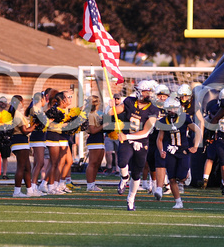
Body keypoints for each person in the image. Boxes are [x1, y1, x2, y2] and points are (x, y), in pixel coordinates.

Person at [110, 80, 159, 211]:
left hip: (141, 142)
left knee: (137, 174)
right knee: (122, 161)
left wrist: (128, 136)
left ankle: (131, 199)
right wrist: (110, 108)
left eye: (150, 91)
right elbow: (115, 111)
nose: (149, 94)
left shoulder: (153, 110)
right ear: (139, 92)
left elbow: (145, 132)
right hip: (126, 139)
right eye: (146, 91)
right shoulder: (129, 101)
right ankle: (124, 177)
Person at [155, 97, 202, 208]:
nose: (172, 111)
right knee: (171, 178)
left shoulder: (184, 118)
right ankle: (178, 202)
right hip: (170, 151)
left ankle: (186, 174)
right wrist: (161, 150)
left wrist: (195, 146)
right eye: (170, 109)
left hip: (183, 150)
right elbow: (159, 139)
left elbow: (198, 131)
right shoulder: (162, 122)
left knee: (181, 177)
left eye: (174, 108)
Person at [8, 95, 41, 197]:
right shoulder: (17, 114)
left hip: (20, 141)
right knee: (21, 167)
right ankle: (17, 191)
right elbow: (25, 131)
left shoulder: (15, 113)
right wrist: (35, 125)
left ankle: (30, 190)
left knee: (27, 167)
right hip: (19, 141)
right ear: (20, 102)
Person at [28, 91, 48, 192]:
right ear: (42, 99)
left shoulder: (38, 109)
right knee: (40, 163)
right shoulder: (35, 109)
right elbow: (41, 123)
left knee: (37, 162)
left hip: (39, 137)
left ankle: (33, 185)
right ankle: (33, 186)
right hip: (38, 137)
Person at [86, 95, 106, 192]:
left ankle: (93, 183)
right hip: (94, 139)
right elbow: (92, 130)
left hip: (100, 139)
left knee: (97, 163)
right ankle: (90, 184)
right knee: (93, 163)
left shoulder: (96, 114)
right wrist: (104, 125)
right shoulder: (90, 115)